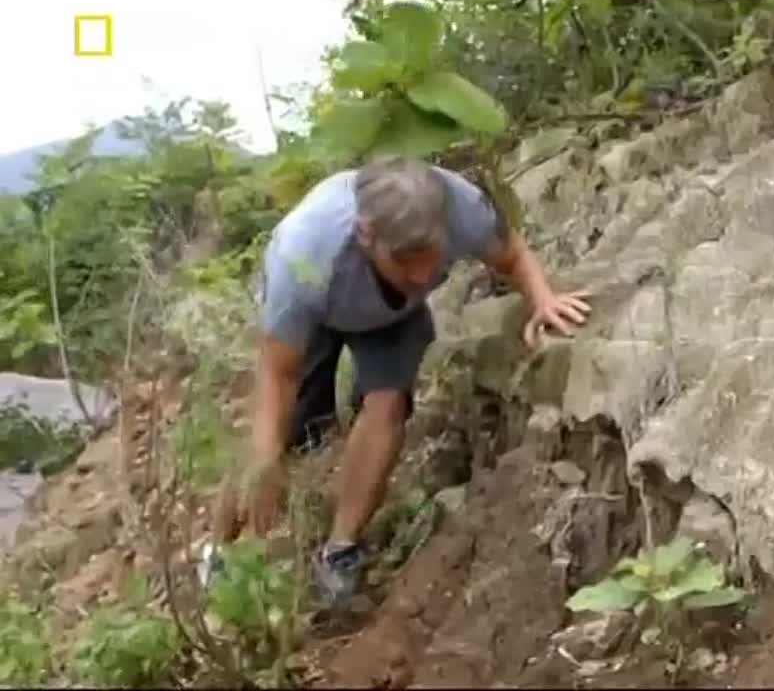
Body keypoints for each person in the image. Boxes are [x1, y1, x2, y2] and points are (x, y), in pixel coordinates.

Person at [205, 155, 591, 607]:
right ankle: (219, 553)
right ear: (367, 237)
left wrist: (543, 299)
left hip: (392, 316)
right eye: (405, 260)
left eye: (432, 255)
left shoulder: (459, 206)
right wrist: (267, 463)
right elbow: (278, 375)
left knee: (388, 405)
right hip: (319, 301)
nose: (423, 275)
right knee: (276, 439)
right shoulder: (305, 254)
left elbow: (512, 254)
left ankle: (339, 552)